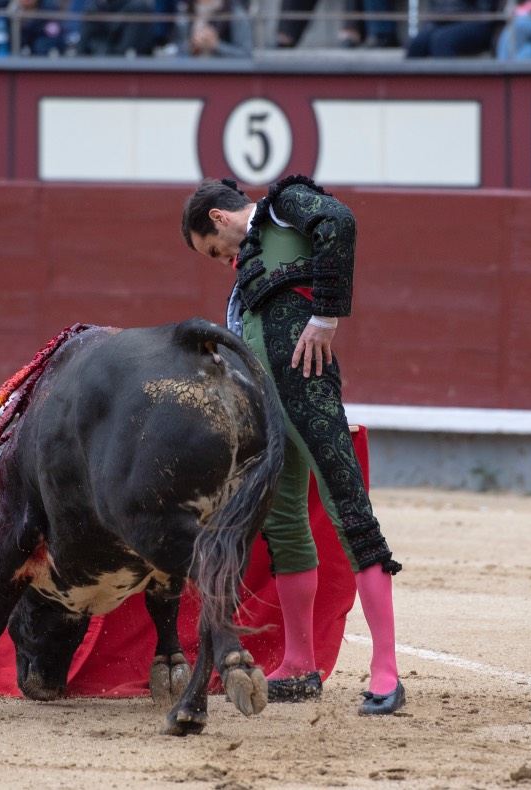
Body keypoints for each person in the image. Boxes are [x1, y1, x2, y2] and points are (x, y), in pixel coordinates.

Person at [180, 176, 405, 715]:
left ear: (217, 219)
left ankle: (386, 671)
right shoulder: (246, 272)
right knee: (283, 524)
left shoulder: (282, 207)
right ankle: (300, 663)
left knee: (349, 512)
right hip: (268, 410)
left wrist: (326, 315)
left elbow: (339, 223)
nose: (220, 260)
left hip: (307, 391)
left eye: (213, 250)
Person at [406, 0, 501, 57]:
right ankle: (408, 88)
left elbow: (485, 11)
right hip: (443, 22)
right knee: (417, 43)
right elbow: (435, 7)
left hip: (476, 21)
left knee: (442, 41)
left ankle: (448, 88)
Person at [0, 0, 66, 55]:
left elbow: (43, 51)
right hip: (3, 74)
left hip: (38, 76)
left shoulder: (49, 16)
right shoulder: (3, 14)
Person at [76, 0, 156, 55]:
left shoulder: (139, 8)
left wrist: (95, 46)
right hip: (93, 69)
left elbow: (123, 53)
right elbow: (81, 49)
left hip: (125, 73)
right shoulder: (94, 7)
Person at [189, 0, 254, 56]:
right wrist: (190, 47)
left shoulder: (234, 13)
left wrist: (216, 45)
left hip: (222, 69)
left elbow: (246, 54)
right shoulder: (184, 8)